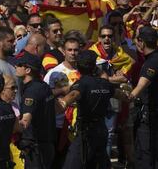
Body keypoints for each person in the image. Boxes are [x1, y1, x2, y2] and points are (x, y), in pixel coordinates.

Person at [60, 50, 127, 168]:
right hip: (101, 130)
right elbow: (124, 96)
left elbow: (72, 96)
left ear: (78, 66)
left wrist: (61, 103)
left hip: (86, 133)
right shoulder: (105, 84)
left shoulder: (82, 84)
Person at [15, 53, 56, 168]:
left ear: (27, 70)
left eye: (19, 65)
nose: (15, 67)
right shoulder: (44, 87)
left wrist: (9, 123)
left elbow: (25, 121)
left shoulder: (31, 92)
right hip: (48, 144)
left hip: (36, 148)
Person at [130, 26, 158, 168]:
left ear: (141, 42)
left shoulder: (151, 62)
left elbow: (140, 87)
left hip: (150, 116)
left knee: (145, 153)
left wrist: (128, 95)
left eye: (136, 39)